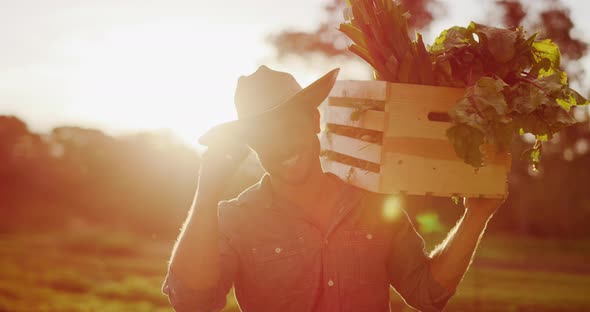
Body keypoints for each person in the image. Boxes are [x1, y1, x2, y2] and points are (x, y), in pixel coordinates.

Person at [162, 66, 507, 312]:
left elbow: (427, 294)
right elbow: (191, 303)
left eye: (289, 127)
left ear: (315, 121)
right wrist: (206, 194)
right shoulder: (234, 219)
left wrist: (477, 215)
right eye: (264, 136)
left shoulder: (372, 202)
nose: (282, 146)